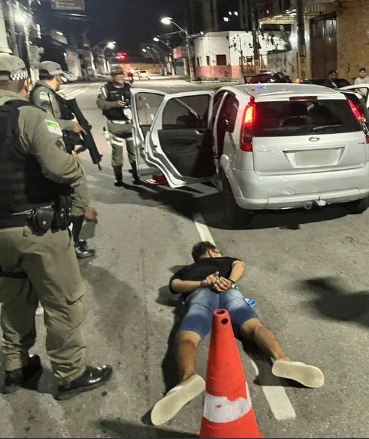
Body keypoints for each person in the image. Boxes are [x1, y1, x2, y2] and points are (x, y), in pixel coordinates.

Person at [0, 54, 113, 400]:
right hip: (37, 230)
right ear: (23, 81)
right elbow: (60, 169)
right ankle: (71, 373)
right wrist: (74, 166)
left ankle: (14, 366)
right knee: (63, 300)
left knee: (15, 300)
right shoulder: (30, 116)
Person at [150, 241, 324, 426]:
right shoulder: (225, 260)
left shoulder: (187, 269)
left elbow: (176, 285)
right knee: (255, 326)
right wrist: (229, 282)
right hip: (229, 292)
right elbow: (240, 265)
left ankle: (187, 378)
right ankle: (282, 358)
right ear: (212, 252)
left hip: (200, 293)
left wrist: (203, 282)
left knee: (188, 337)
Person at [30, 61, 95, 259]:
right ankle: (72, 244)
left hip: (59, 150)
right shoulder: (43, 94)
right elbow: (47, 123)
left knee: (69, 199)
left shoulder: (45, 93)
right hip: (54, 153)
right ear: (57, 76)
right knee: (78, 200)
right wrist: (69, 125)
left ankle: (71, 241)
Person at [96, 64, 140, 186]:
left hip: (130, 125)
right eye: (117, 75)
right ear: (112, 76)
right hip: (115, 126)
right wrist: (115, 104)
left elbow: (138, 101)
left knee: (134, 153)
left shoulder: (129, 87)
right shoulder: (106, 89)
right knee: (117, 155)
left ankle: (136, 176)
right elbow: (100, 103)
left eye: (122, 74)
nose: (121, 77)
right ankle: (118, 178)